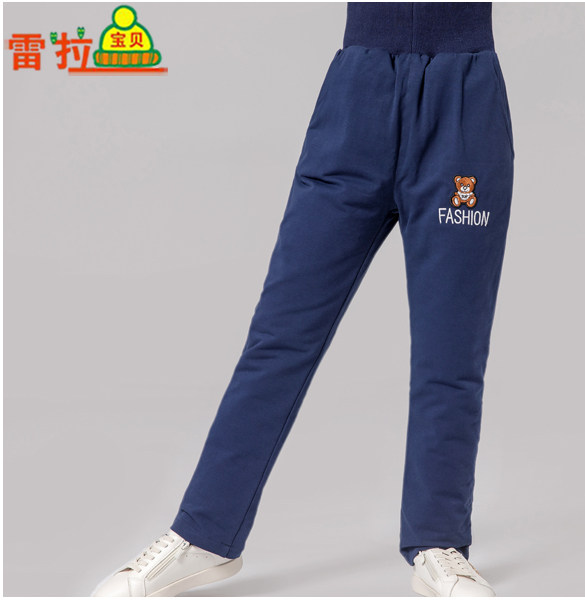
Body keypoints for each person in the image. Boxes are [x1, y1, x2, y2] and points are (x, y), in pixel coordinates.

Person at [91, 2, 514, 596]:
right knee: (280, 334)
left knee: (451, 349)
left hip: (461, 100)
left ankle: (438, 541)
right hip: (359, 92)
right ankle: (205, 535)